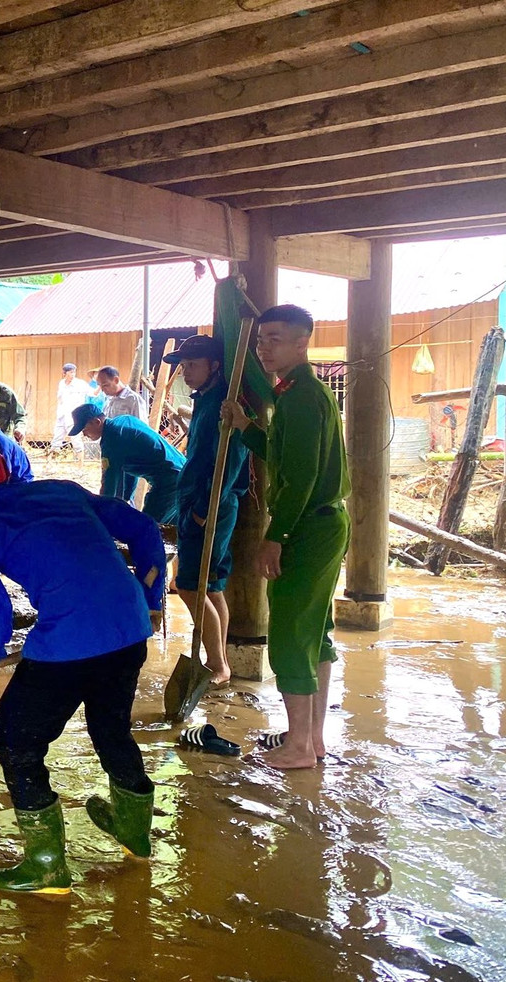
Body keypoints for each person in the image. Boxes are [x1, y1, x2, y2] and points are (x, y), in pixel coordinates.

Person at [0, 442, 166, 895]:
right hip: (130, 628)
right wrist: (152, 600)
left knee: (16, 741)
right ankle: (134, 833)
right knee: (111, 727)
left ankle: (47, 865)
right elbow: (145, 528)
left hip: (70, 642)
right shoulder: (62, 490)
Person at [221, 304, 349, 771]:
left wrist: (277, 536)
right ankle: (310, 738)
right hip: (321, 521)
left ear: (302, 342)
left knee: (291, 634)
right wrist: (246, 429)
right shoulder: (297, 392)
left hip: (307, 524)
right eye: (261, 339)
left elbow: (298, 478)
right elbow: (281, 452)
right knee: (315, 631)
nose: (264, 346)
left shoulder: (299, 397)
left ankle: (298, 747)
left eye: (275, 338)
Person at [166, 335, 250, 687]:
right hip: (201, 501)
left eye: (192, 366)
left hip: (211, 502)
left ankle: (217, 665)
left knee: (190, 586)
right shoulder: (205, 400)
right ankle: (218, 661)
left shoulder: (223, 404)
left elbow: (232, 457)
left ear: (214, 365)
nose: (185, 373)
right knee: (211, 586)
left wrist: (204, 507)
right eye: (183, 367)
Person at [69, 403, 184, 525]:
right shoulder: (123, 421)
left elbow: (109, 482)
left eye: (84, 429)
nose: (84, 434)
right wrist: (126, 498)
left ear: (97, 422)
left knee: (148, 526)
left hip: (170, 479)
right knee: (167, 521)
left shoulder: (112, 440)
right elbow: (129, 470)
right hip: (180, 470)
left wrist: (100, 514)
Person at [50, 363, 92, 454]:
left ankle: (80, 465)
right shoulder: (61, 383)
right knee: (56, 440)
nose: (72, 374)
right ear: (64, 373)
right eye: (70, 372)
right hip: (62, 414)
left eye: (74, 372)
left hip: (74, 416)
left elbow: (93, 393)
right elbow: (60, 398)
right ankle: (51, 463)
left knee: (76, 440)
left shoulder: (80, 384)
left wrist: (101, 386)